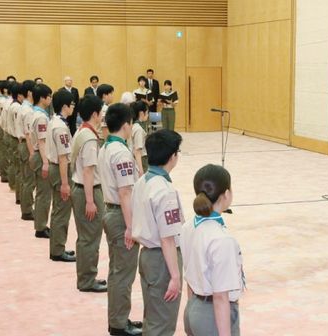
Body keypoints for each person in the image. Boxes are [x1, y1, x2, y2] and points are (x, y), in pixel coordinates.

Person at [182, 164, 245, 336]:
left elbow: (188, 275)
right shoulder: (222, 240)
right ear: (226, 194)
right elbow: (220, 297)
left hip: (194, 307)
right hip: (214, 317)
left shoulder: (188, 226)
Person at [131, 129, 183, 336]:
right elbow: (167, 238)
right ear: (172, 156)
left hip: (147, 256)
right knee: (162, 323)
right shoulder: (164, 190)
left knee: (152, 317)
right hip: (162, 259)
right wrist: (176, 276)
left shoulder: (142, 181)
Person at [98, 103, 142, 336]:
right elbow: (125, 192)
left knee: (117, 272)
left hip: (111, 211)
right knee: (123, 273)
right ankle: (118, 324)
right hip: (120, 215)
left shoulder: (106, 147)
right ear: (126, 125)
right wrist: (131, 226)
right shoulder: (121, 152)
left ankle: (119, 318)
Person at [71, 94, 107, 293]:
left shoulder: (81, 131)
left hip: (82, 190)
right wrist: (90, 201)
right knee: (90, 238)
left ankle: (87, 276)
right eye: (101, 113)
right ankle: (87, 280)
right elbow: (88, 171)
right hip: (88, 191)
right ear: (94, 114)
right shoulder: (90, 138)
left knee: (85, 237)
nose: (102, 116)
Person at [46, 90, 76, 262]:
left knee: (58, 210)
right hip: (59, 170)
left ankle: (58, 246)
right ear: (64, 106)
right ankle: (57, 250)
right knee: (61, 211)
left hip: (55, 168)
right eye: (71, 104)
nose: (73, 107)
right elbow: (63, 157)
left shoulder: (55, 122)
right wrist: (65, 183)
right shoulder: (61, 128)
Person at [30, 83, 53, 239]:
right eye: (49, 96)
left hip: (38, 153)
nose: (51, 99)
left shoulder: (36, 114)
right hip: (42, 154)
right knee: (44, 194)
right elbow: (42, 141)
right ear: (43, 98)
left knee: (42, 193)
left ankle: (41, 224)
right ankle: (41, 226)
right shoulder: (41, 117)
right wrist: (46, 162)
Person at [17, 80, 36, 221]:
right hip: (27, 144)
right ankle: (27, 210)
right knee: (29, 180)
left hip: (22, 143)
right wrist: (32, 153)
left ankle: (26, 208)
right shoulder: (28, 110)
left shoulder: (23, 107)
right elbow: (28, 134)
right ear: (29, 92)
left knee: (26, 179)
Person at [7, 82, 24, 204]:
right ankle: (19, 196)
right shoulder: (17, 108)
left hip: (12, 136)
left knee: (17, 166)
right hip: (16, 139)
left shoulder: (12, 105)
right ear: (19, 95)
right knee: (20, 169)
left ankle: (19, 194)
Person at [129, 101, 149, 174]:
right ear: (141, 113)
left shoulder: (132, 125)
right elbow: (138, 151)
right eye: (147, 112)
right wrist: (141, 170)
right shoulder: (138, 129)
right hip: (141, 159)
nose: (148, 115)